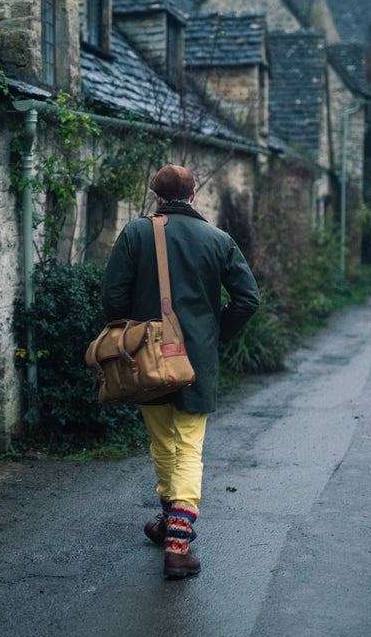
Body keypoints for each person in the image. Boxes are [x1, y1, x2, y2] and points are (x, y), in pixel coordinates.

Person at [101, 164, 260, 578]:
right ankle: (177, 542)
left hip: (147, 358)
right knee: (189, 449)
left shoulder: (136, 233)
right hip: (196, 361)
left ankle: (171, 521)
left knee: (162, 445)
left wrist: (130, 335)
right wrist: (213, 333)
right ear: (193, 197)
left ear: (156, 196)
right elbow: (247, 300)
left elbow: (113, 294)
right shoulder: (219, 240)